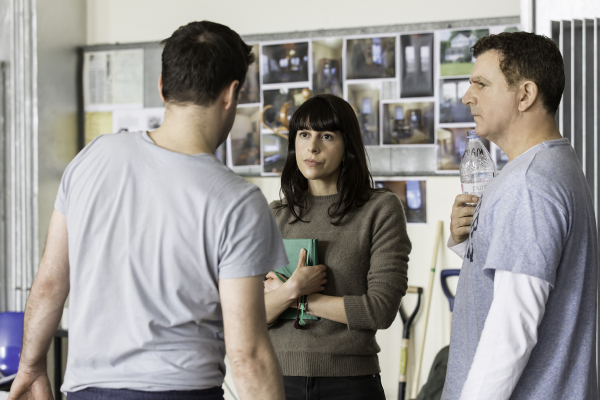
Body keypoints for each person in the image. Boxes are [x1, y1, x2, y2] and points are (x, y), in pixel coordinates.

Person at [8, 21, 288, 400]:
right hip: (179, 391)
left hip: (86, 391)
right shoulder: (237, 200)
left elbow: (50, 284)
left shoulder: (92, 158)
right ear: (231, 93)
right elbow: (247, 355)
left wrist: (30, 366)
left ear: (161, 85)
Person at [442, 32, 598, 400]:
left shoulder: (528, 185)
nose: (468, 96)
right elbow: (528, 280)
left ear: (525, 95)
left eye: (481, 84)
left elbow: (512, 330)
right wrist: (468, 241)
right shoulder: (551, 165)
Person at [263, 94, 411, 400]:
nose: (312, 146)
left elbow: (380, 310)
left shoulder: (380, 209)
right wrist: (292, 291)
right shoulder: (275, 215)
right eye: (304, 134)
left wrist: (299, 298)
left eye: (326, 136)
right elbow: (251, 313)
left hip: (350, 383)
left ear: (348, 148)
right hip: (277, 381)